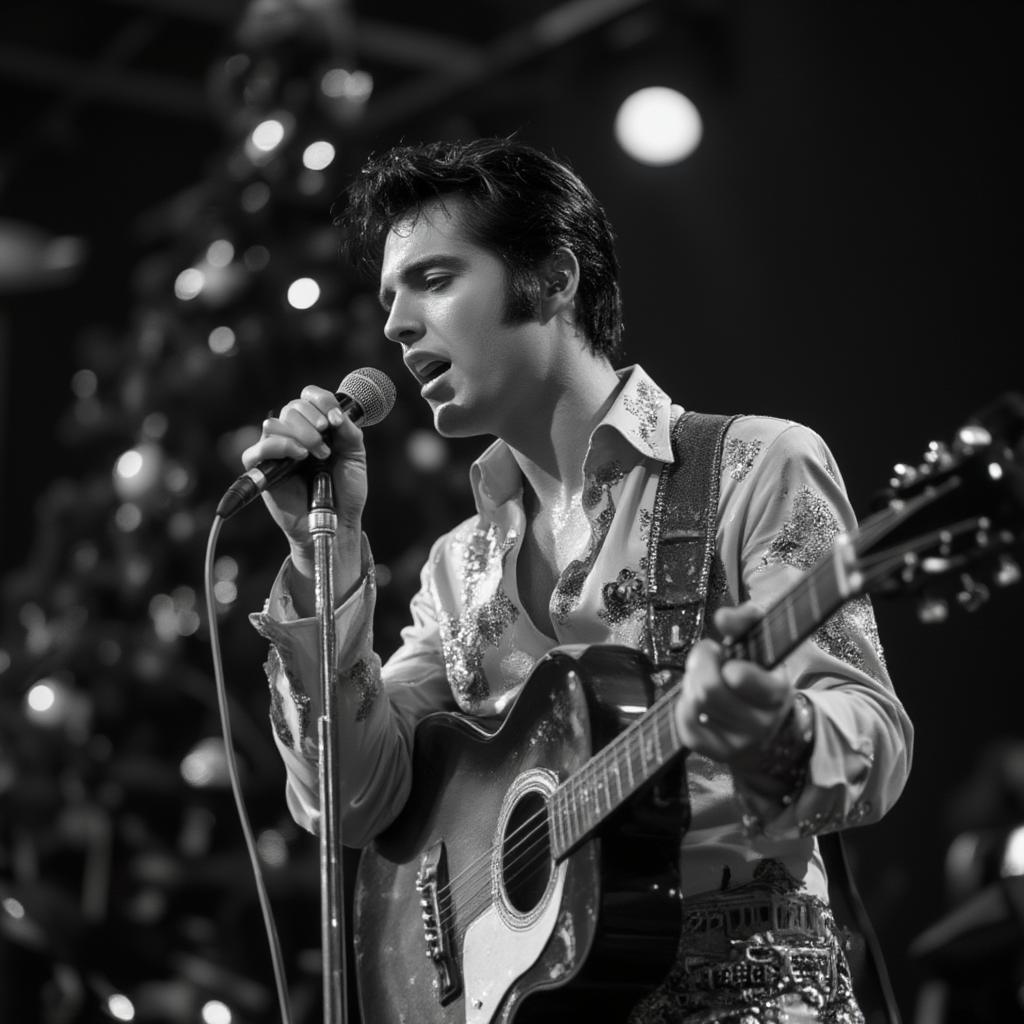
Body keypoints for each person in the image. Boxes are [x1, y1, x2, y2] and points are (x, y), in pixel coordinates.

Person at [243, 138, 913, 1023]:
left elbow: (872, 739)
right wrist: (317, 554)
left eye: (435, 280)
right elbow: (352, 801)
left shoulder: (753, 464)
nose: (397, 325)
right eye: (390, 298)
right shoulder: (459, 566)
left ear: (554, 279)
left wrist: (774, 733)